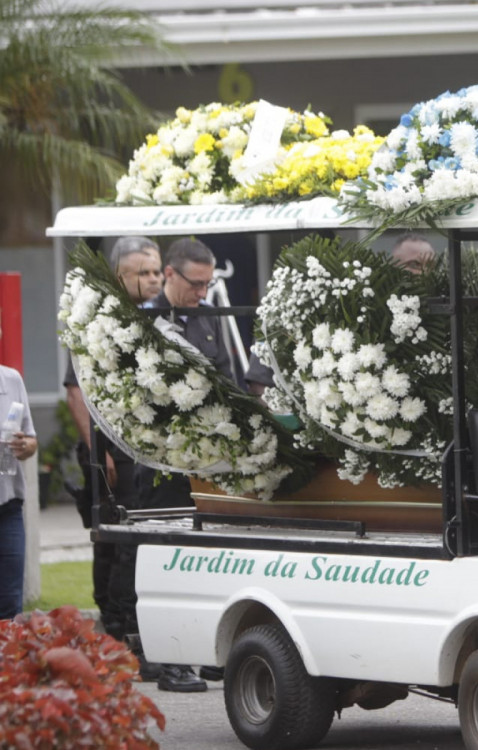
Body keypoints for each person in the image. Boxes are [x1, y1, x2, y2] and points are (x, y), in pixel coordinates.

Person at [136, 237, 235, 692]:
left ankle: (210, 652)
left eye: (208, 283)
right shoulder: (141, 321)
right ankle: (170, 659)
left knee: (211, 560)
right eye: (195, 283)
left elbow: (226, 379)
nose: (202, 291)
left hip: (206, 461)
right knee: (168, 558)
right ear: (170, 274)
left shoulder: (207, 319)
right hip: (160, 461)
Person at [63, 236, 162, 643]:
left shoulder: (157, 317)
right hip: (111, 452)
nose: (153, 280)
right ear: (120, 276)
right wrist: (96, 450)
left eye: (157, 271)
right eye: (144, 272)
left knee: (140, 537)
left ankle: (132, 624)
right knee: (114, 540)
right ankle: (115, 626)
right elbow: (75, 391)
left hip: (148, 449)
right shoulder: (96, 320)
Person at [0, 317, 37, 620]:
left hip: (8, 506)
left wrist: (27, 446)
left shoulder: (12, 380)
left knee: (10, 603)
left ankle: (7, 667)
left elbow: (31, 439)